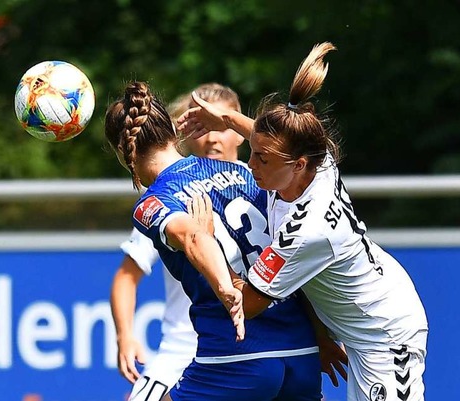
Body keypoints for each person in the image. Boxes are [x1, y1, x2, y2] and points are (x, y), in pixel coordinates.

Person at [178, 42, 428, 401]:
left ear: (296, 166)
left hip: (386, 335)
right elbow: (272, 139)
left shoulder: (307, 231)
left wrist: (203, 242)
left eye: (262, 160)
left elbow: (246, 304)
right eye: (253, 153)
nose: (251, 166)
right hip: (366, 317)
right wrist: (229, 119)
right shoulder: (316, 161)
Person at [105, 80, 346, 401]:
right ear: (174, 134)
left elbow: (192, 236)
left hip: (236, 355)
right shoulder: (248, 175)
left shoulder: (154, 202)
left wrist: (227, 290)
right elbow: (294, 256)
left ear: (123, 151)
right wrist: (320, 333)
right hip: (300, 351)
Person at [109, 84, 247, 401]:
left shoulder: (256, 181)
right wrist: (125, 335)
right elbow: (126, 277)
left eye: (222, 125)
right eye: (202, 127)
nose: (212, 137)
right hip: (206, 346)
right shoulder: (170, 199)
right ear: (182, 131)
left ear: (239, 131)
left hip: (221, 345)